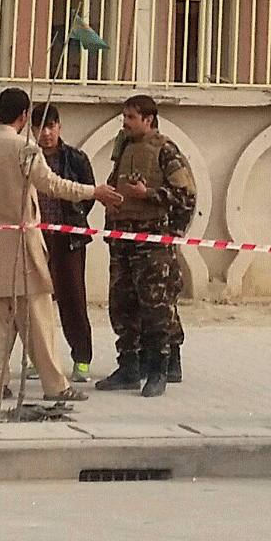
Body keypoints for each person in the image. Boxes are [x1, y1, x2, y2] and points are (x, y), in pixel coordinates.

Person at [0, 87, 118, 405]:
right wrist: (93, 191)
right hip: (23, 244)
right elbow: (52, 185)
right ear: (24, 116)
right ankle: (55, 386)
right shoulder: (25, 149)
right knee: (38, 318)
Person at [99, 95, 195, 396]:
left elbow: (186, 197)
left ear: (148, 120)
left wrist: (149, 196)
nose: (125, 123)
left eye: (131, 117)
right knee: (122, 306)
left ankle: (159, 370)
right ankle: (129, 368)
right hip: (122, 241)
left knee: (156, 309)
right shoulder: (125, 147)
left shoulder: (165, 151)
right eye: (124, 117)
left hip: (152, 244)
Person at [35, 104, 98, 387]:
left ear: (59, 126)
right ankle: (41, 360)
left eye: (51, 126)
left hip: (68, 239)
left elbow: (88, 194)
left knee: (72, 298)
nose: (46, 133)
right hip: (36, 238)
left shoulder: (75, 158)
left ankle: (81, 357)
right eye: (40, 127)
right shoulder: (27, 158)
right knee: (37, 302)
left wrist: (70, 220)